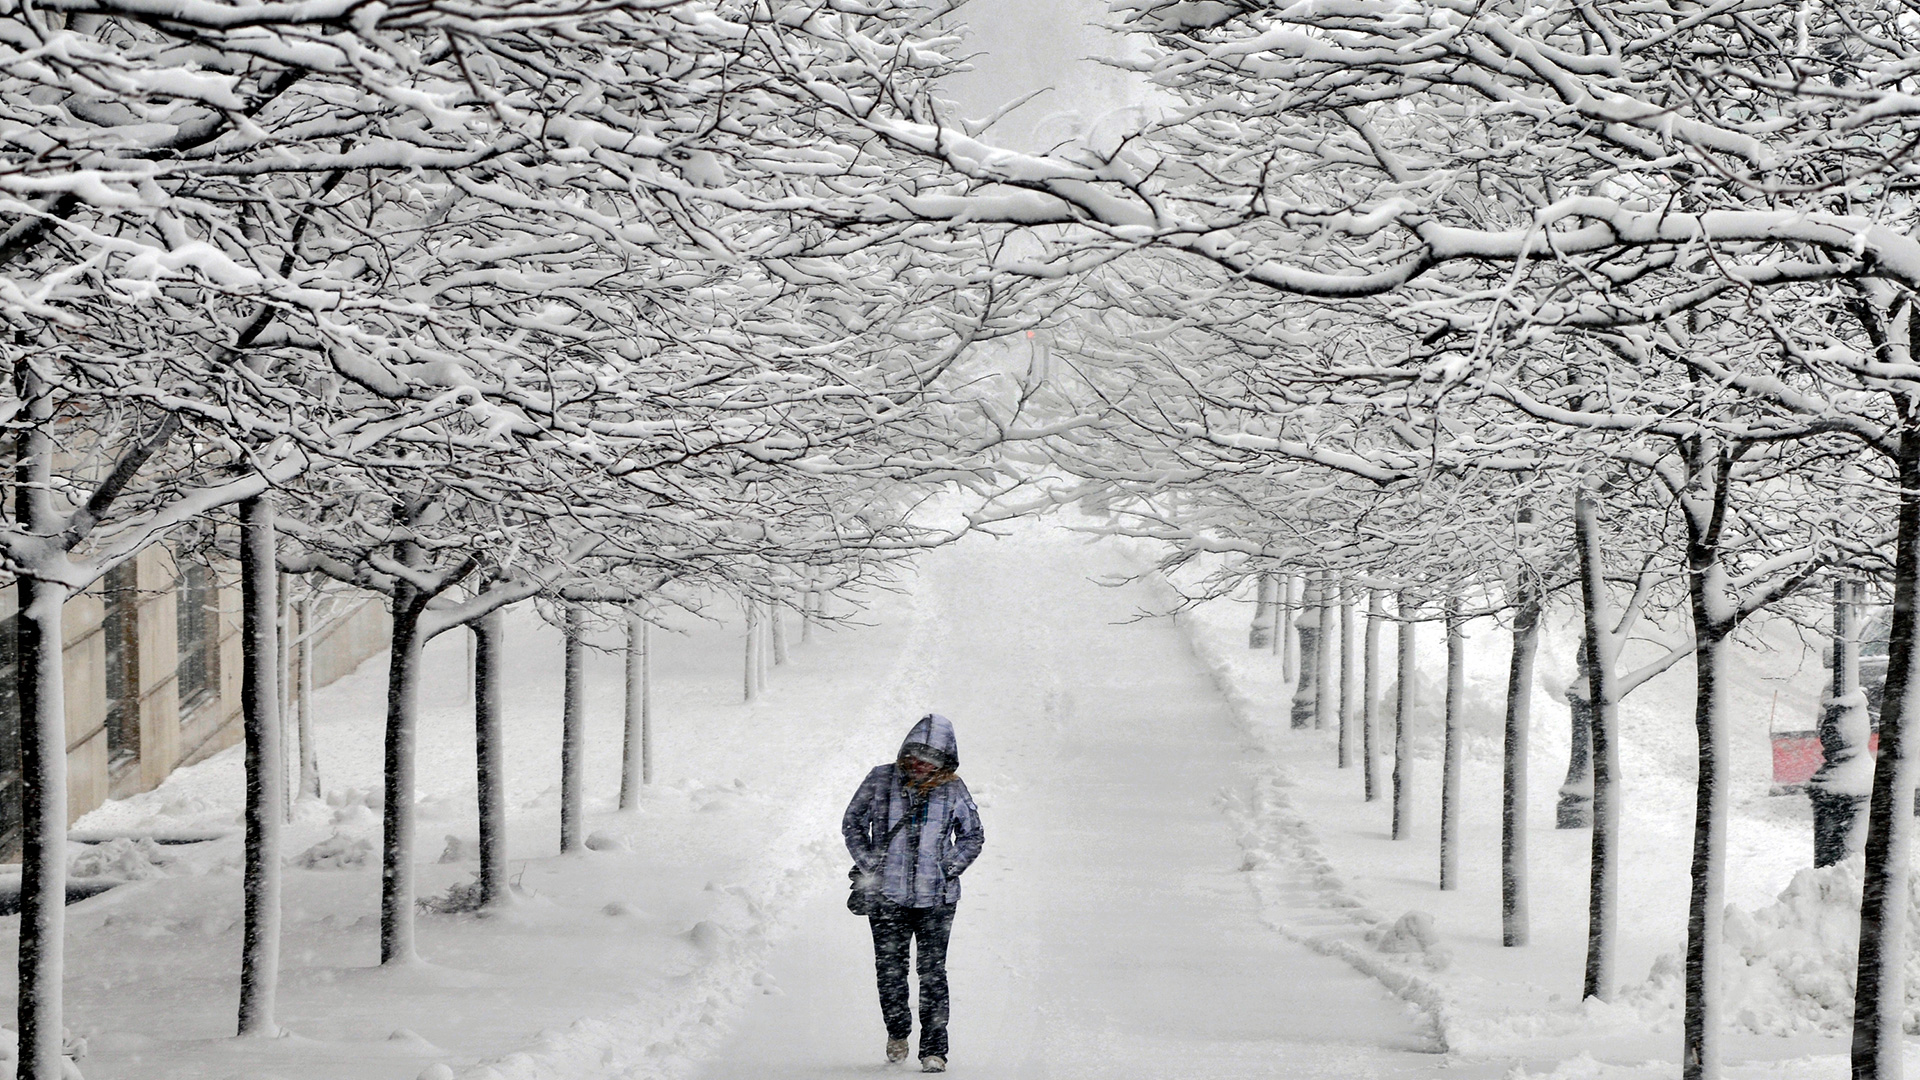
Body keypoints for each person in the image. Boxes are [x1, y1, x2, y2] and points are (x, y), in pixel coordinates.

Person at [841, 713, 985, 1073]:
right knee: (890, 970)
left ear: (944, 762)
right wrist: (871, 862)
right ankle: (898, 1031)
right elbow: (852, 822)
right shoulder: (879, 779)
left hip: (937, 901)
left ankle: (934, 1049)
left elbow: (973, 835)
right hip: (886, 899)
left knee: (932, 973)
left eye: (930, 758)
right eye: (914, 755)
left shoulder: (953, 789)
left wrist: (946, 868)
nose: (918, 764)